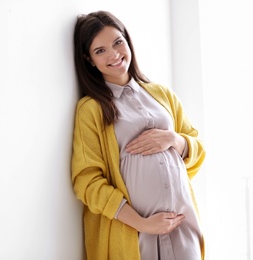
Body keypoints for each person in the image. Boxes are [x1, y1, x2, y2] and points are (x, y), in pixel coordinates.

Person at [71, 10, 206, 260]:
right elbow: (87, 182)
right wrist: (143, 224)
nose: (114, 54)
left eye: (117, 42)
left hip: (181, 223)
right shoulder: (91, 109)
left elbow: (197, 147)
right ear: (89, 59)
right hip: (134, 232)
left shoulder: (162, 94)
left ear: (127, 40)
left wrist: (174, 140)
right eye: (100, 51)